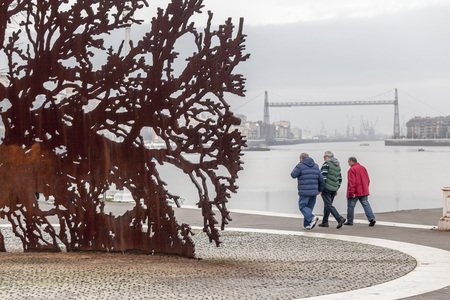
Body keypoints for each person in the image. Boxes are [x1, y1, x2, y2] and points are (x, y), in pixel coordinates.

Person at [291, 152, 325, 230]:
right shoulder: (315, 166)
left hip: (304, 191)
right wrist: (320, 189)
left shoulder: (300, 166)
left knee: (302, 206)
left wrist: (298, 165)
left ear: (301, 159)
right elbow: (321, 180)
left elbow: (293, 175)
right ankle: (307, 225)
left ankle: (312, 218)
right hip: (314, 191)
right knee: (309, 208)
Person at [318, 151, 346, 229]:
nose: (324, 158)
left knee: (328, 205)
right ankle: (325, 222)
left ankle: (339, 218)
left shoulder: (326, 164)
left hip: (326, 188)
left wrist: (320, 188)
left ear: (327, 157)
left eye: (324, 157)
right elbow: (340, 178)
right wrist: (337, 188)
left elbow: (323, 177)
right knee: (328, 205)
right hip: (334, 189)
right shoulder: (337, 165)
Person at [345, 157, 376, 226]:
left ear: (352, 161)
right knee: (366, 205)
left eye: (348, 162)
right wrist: (366, 188)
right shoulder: (363, 168)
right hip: (364, 190)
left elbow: (352, 182)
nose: (348, 164)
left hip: (355, 192)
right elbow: (367, 179)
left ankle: (350, 221)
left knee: (351, 206)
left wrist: (352, 192)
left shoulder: (351, 170)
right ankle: (371, 219)